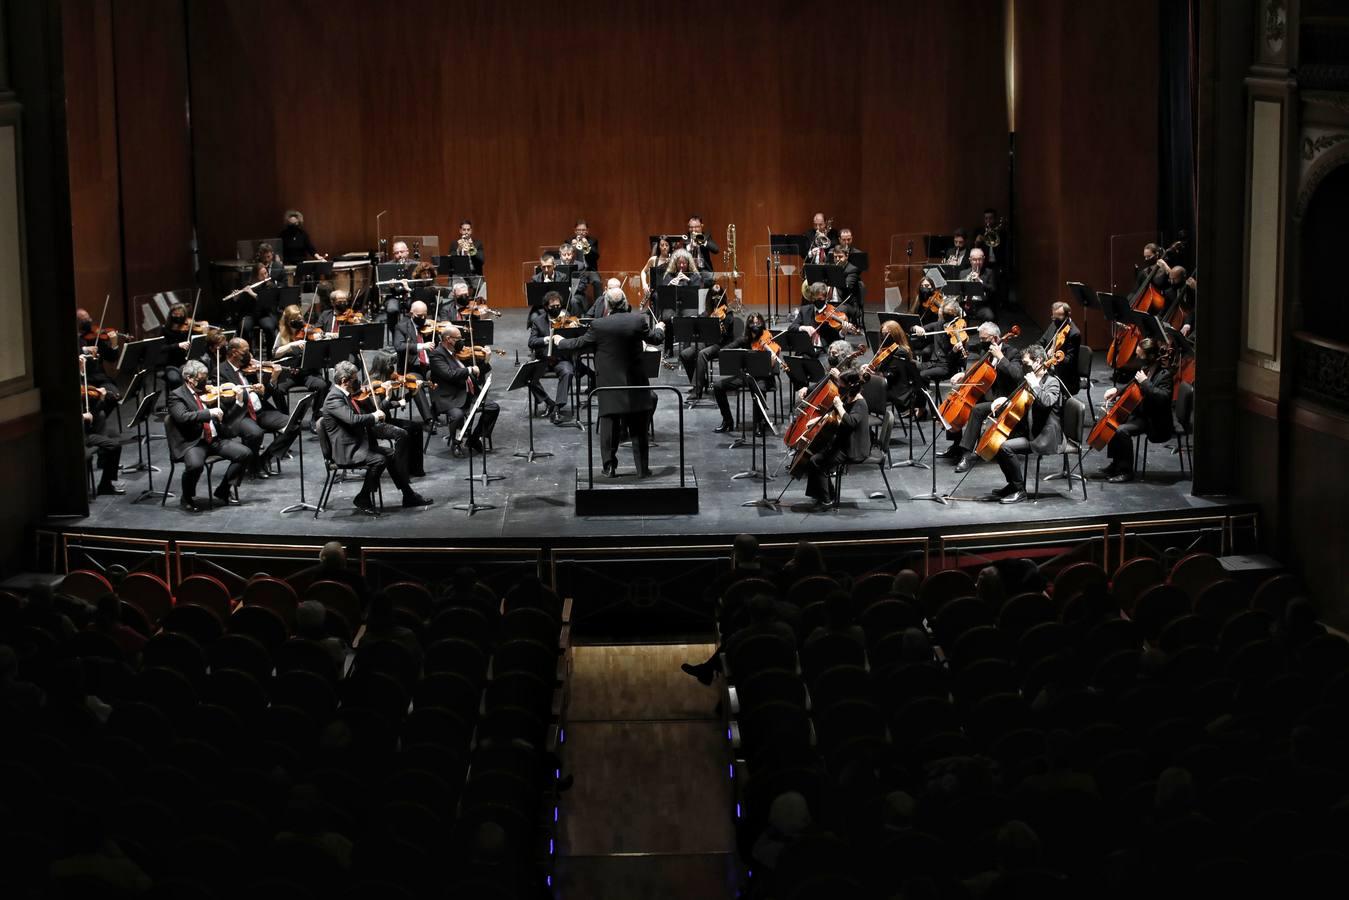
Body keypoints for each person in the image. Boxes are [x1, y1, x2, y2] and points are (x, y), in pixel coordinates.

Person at [552, 303, 664, 477]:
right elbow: (656, 339)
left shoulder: (598, 325)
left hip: (609, 384)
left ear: (607, 304)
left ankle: (609, 468)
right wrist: (659, 328)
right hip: (635, 383)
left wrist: (561, 341)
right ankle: (642, 470)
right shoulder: (638, 321)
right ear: (626, 303)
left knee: (609, 426)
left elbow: (579, 344)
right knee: (639, 428)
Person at [320, 360, 432, 512]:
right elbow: (352, 420)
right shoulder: (334, 398)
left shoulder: (343, 394)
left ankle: (408, 495)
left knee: (391, 454)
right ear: (344, 381)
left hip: (357, 442)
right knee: (379, 460)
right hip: (347, 450)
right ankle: (363, 497)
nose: (357, 382)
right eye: (354, 378)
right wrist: (374, 416)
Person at [166, 360, 253, 511]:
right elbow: (183, 417)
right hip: (194, 441)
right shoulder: (176, 396)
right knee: (195, 465)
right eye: (202, 378)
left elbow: (226, 414)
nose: (206, 382)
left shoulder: (209, 392)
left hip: (214, 440)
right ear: (190, 379)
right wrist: (208, 413)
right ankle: (186, 497)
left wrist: (238, 400)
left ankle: (223, 490)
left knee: (245, 454)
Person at [983, 343, 1064, 504]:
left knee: (1005, 447)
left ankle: (1020, 490)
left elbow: (1046, 402)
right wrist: (1003, 401)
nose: (1024, 367)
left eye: (1026, 364)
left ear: (1039, 361)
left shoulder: (1052, 382)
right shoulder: (1030, 378)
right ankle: (1013, 485)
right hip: (1030, 427)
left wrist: (1034, 384)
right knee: (996, 443)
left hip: (1043, 435)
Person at [945, 322, 1022, 470]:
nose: (981, 342)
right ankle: (956, 445)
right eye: (980, 339)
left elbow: (1017, 375)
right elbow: (979, 372)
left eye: (983, 339)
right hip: (986, 392)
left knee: (977, 410)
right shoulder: (985, 352)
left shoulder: (1012, 353)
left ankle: (967, 455)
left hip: (1002, 399)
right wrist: (963, 375)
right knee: (957, 403)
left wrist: (1000, 358)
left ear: (994, 338)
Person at [217, 337, 297, 477]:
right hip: (241, 414)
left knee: (294, 424)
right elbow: (224, 401)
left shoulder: (250, 367)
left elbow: (267, 394)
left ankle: (265, 458)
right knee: (255, 433)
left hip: (260, 410)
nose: (250, 355)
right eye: (246, 351)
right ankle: (254, 466)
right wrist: (244, 392)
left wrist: (271, 380)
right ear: (234, 352)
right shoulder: (221, 371)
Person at [1099, 338, 1173, 483]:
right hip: (1142, 414)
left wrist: (1145, 382)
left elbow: (1163, 398)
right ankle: (1116, 464)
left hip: (1154, 420)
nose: (1138, 358)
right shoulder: (1145, 369)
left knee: (1121, 431)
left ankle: (1126, 471)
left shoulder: (1165, 375)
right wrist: (1117, 391)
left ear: (1151, 357)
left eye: (1140, 356)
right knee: (1113, 421)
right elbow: (1132, 385)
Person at [795, 369, 870, 506]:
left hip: (854, 448)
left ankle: (826, 499)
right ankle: (826, 494)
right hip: (843, 443)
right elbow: (833, 415)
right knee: (814, 457)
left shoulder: (860, 404)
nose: (839, 387)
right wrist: (818, 421)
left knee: (817, 461)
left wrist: (840, 406)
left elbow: (850, 422)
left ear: (849, 386)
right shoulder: (848, 397)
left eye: (841, 385)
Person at [428, 324, 500, 457]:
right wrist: (469, 369)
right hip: (449, 397)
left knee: (493, 408)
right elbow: (449, 374)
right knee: (458, 415)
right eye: (458, 338)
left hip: (467, 393)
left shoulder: (459, 354)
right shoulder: (436, 355)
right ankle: (456, 443)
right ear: (448, 339)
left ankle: (473, 439)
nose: (462, 342)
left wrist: (485, 361)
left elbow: (476, 376)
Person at [711, 312, 777, 433]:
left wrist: (771, 357)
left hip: (762, 377)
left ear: (763, 324)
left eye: (758, 323)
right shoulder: (745, 340)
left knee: (760, 389)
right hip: (746, 376)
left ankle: (759, 423)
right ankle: (727, 421)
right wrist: (737, 353)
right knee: (718, 386)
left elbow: (773, 358)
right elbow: (725, 349)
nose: (756, 325)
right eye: (753, 323)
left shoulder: (767, 339)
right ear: (748, 325)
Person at [367, 350, 426, 476]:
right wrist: (388, 398)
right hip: (376, 425)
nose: (392, 369)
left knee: (416, 427)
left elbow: (398, 401)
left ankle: (415, 469)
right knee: (402, 433)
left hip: (386, 421)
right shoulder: (371, 384)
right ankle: (401, 472)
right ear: (382, 366)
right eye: (389, 365)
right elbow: (379, 410)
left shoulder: (387, 379)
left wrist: (412, 393)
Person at [272, 303, 329, 429]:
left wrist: (321, 338)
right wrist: (291, 345)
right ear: (288, 321)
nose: (300, 320)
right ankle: (285, 420)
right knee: (276, 390)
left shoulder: (308, 330)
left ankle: (316, 417)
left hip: (308, 372)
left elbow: (321, 342)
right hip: (290, 373)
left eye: (300, 317)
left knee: (322, 385)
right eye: (296, 319)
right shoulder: (282, 334)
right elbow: (275, 353)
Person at [681, 284, 738, 405]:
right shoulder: (707, 312)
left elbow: (724, 335)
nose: (716, 299)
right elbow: (698, 323)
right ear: (709, 298)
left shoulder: (728, 314)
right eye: (713, 296)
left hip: (722, 344)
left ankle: (697, 390)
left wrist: (719, 324)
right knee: (685, 354)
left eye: (718, 297)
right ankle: (701, 380)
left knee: (702, 354)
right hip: (708, 343)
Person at [527, 291, 578, 423]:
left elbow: (574, 341)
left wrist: (573, 330)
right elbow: (531, 342)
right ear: (545, 307)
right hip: (543, 359)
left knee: (567, 372)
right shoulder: (538, 321)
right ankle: (548, 401)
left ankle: (557, 408)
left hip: (560, 359)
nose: (556, 308)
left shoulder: (566, 319)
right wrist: (547, 339)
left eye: (558, 306)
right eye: (552, 306)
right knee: (527, 374)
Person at [80, 356, 124, 496]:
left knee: (114, 445)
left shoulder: (83, 385)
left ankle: (105, 485)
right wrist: (82, 416)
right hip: (77, 435)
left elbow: (93, 414)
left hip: (87, 432)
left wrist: (102, 399)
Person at [288, 541, 372, 612]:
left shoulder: (306, 576)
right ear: (343, 560)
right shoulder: (356, 579)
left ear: (321, 557)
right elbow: (365, 602)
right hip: (349, 620)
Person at [390, 300, 436, 423]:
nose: (423, 318)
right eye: (419, 316)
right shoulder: (402, 327)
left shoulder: (430, 326)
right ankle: (429, 419)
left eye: (425, 315)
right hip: (411, 367)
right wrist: (421, 346)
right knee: (417, 383)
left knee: (437, 377)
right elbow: (399, 346)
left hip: (428, 366)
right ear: (411, 314)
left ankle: (437, 412)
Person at [1040, 301, 1082, 395]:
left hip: (1065, 376)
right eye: (1053, 317)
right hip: (1050, 370)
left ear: (1067, 316)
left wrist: (1054, 356)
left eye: (1058, 317)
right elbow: (1041, 342)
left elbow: (1069, 361)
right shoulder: (1054, 325)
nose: (1055, 320)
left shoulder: (1074, 333)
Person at [958, 248, 997, 322]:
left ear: (984, 259)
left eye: (980, 259)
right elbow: (959, 291)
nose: (977, 262)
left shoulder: (989, 272)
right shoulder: (963, 273)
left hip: (982, 305)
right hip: (966, 305)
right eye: (974, 260)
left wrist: (980, 281)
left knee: (989, 316)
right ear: (970, 260)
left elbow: (993, 289)